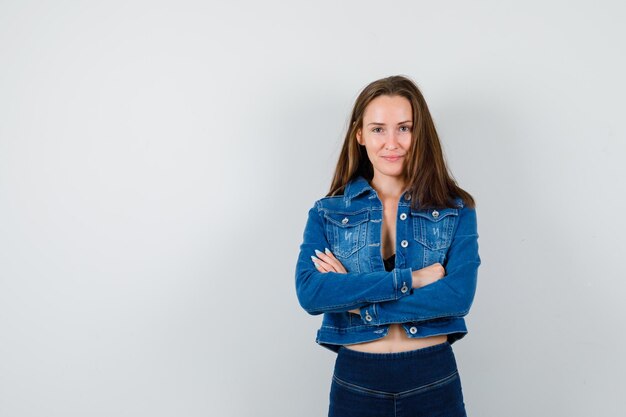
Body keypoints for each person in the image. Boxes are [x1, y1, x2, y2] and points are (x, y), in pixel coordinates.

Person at [294, 75, 482, 416]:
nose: (391, 142)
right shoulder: (328, 212)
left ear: (419, 134)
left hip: (433, 378)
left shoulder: (456, 210)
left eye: (404, 128)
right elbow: (311, 293)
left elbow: (458, 295)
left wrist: (358, 306)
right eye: (379, 129)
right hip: (357, 380)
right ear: (360, 135)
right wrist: (413, 280)